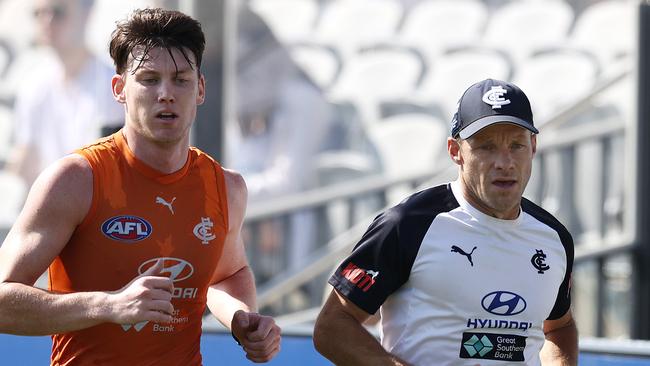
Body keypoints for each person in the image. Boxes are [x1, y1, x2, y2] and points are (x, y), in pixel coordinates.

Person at [0, 7, 281, 365]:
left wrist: (242, 318)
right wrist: (109, 304)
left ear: (201, 89)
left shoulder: (225, 187)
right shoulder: (76, 179)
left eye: (181, 79)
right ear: (120, 89)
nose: (166, 94)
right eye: (149, 79)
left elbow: (229, 274)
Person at [313, 79, 578, 365]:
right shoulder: (408, 224)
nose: (505, 162)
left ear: (534, 146)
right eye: (486, 147)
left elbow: (559, 326)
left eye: (516, 145)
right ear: (455, 151)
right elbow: (332, 326)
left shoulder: (554, 238)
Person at [6, 0, 122, 187]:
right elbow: (26, 163)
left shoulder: (114, 84)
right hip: (52, 204)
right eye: (38, 13)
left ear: (87, 14)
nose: (47, 20)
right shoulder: (33, 86)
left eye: (58, 12)